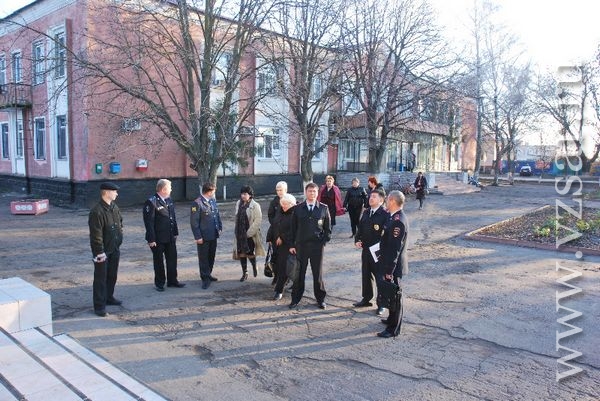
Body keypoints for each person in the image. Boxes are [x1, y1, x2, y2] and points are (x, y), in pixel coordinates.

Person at [289, 182, 331, 309]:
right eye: (309, 191)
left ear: (317, 193)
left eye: (314, 191)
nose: (312, 193)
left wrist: (323, 241)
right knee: (299, 274)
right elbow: (293, 228)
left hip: (317, 247)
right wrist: (292, 245)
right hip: (301, 246)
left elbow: (327, 228)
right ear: (305, 192)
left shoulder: (323, 208)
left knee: (317, 274)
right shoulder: (298, 208)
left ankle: (320, 299)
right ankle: (295, 299)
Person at [88, 182, 124, 317]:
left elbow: (120, 222)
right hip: (102, 251)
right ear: (107, 192)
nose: (117, 194)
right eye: (114, 191)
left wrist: (120, 235)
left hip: (114, 248)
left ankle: (109, 297)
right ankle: (99, 306)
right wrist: (99, 252)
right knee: (100, 279)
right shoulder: (97, 211)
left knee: (112, 275)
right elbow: (96, 234)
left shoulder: (114, 207)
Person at [377, 190, 409, 338]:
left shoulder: (398, 220)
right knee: (390, 294)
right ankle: (391, 319)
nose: (385, 202)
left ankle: (393, 329)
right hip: (389, 263)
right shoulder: (393, 217)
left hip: (394, 266)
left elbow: (395, 248)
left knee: (395, 296)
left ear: (392, 201)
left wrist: (389, 270)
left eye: (387, 200)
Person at [143, 179, 184, 292]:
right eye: (170, 188)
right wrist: (151, 239)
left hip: (170, 236)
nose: (171, 190)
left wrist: (175, 232)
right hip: (157, 238)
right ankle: (160, 283)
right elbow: (149, 222)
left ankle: (172, 280)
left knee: (172, 259)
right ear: (163, 189)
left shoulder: (169, 200)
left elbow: (172, 217)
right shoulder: (151, 202)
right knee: (159, 261)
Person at [353, 187, 388, 314]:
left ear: (381, 200)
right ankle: (366, 298)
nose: (370, 198)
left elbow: (386, 235)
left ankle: (381, 304)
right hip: (366, 250)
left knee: (380, 278)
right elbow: (360, 228)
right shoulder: (367, 212)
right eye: (370, 196)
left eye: (374, 197)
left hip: (379, 252)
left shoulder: (385, 214)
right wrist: (357, 239)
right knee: (366, 275)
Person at [191, 182, 223, 289]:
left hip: (213, 234)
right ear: (209, 192)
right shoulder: (197, 203)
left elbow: (216, 215)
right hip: (203, 236)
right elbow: (194, 222)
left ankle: (208, 274)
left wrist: (219, 227)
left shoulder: (212, 201)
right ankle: (205, 278)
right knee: (203, 258)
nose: (214, 193)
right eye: (213, 191)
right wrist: (197, 236)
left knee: (211, 256)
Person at [233, 186, 266, 282]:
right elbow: (236, 218)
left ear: (250, 195)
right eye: (242, 194)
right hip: (239, 233)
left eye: (245, 194)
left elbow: (258, 220)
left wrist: (249, 233)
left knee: (250, 253)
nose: (243, 196)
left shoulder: (255, 205)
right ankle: (245, 273)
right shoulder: (238, 203)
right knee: (241, 253)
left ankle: (254, 266)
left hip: (250, 234)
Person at [272, 193, 296, 300]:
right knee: (281, 268)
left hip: (292, 245)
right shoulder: (281, 212)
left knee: (292, 268)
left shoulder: (295, 214)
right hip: (281, 246)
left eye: (285, 205)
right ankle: (279, 290)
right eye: (282, 205)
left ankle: (295, 287)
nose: (283, 207)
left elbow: (294, 231)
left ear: (291, 204)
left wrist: (282, 237)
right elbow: (275, 225)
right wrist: (276, 236)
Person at [267, 181, 288, 285]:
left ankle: (285, 278)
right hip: (275, 232)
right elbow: (270, 215)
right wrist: (275, 224)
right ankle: (276, 276)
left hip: (286, 234)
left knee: (285, 258)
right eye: (277, 190)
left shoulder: (290, 200)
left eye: (281, 190)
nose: (279, 192)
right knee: (275, 257)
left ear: (286, 190)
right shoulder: (274, 201)